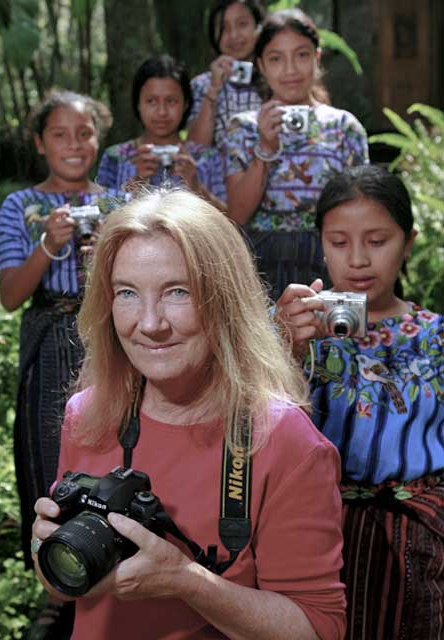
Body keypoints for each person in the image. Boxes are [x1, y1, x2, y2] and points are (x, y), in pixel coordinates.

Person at [31, 188, 346, 640]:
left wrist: (186, 581)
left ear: (224, 301)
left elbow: (318, 629)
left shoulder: (283, 439)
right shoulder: (90, 413)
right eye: (127, 293)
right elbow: (63, 588)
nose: (151, 323)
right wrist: (48, 547)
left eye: (177, 291)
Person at [277, 165, 444, 640]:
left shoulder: (436, 336)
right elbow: (269, 421)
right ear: (320, 243)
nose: (357, 259)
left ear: (407, 243)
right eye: (338, 241)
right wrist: (286, 347)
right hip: (319, 529)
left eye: (376, 240)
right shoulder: (302, 330)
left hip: (421, 535)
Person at [0, 91, 127, 638]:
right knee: (50, 455)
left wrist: (108, 259)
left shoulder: (121, 201)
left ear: (99, 138)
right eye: (60, 134)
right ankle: (55, 585)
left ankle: (115, 569)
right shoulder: (20, 206)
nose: (74, 145)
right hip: (51, 336)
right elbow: (8, 295)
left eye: (85, 133)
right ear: (39, 142)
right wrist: (48, 246)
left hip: (112, 337)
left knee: (119, 447)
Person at [224, 9, 369, 300]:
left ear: (317, 59)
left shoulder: (344, 127)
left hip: (330, 257)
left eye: (301, 55)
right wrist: (265, 147)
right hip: (261, 258)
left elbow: (361, 210)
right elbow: (238, 213)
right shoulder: (244, 128)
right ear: (261, 66)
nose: (290, 69)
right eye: (276, 59)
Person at [96, 55, 226, 210]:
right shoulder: (115, 157)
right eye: (151, 101)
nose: (162, 112)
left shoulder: (206, 158)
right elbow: (101, 215)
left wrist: (197, 187)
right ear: (138, 103)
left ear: (185, 104)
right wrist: (135, 184)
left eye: (171, 101)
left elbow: (229, 223)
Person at [187, 0, 265, 148]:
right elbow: (195, 149)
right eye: (223, 28)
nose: (234, 35)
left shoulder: (278, 78)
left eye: (242, 24)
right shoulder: (201, 84)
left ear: (258, 27)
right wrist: (213, 90)